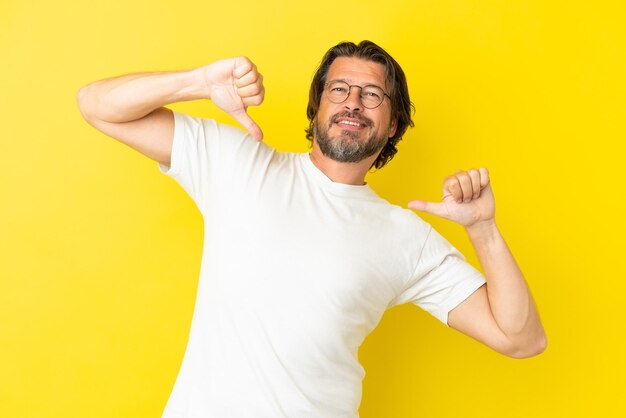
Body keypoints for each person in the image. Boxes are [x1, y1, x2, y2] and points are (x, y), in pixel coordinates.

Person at [77, 40, 546, 417]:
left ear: (394, 122)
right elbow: (97, 104)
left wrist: (483, 229)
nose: (353, 103)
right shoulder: (236, 163)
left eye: (372, 94)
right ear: (317, 107)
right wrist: (197, 81)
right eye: (339, 89)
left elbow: (521, 338)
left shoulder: (407, 236)